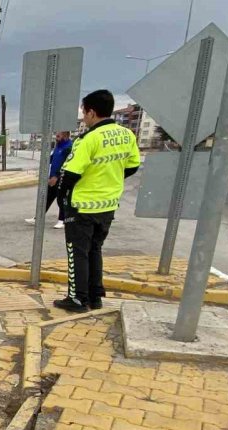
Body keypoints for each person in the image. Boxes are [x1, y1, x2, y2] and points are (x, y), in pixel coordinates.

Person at [54, 90, 140, 312]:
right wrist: (108, 179)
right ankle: (95, 296)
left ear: (91, 112)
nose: (84, 117)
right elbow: (132, 166)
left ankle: (77, 299)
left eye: (84, 112)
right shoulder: (127, 135)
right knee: (95, 249)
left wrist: (62, 198)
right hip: (108, 205)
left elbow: (69, 174)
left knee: (77, 252)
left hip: (82, 205)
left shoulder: (88, 139)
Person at [24, 131, 72, 229]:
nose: (56, 138)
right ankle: (38, 218)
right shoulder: (58, 146)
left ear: (65, 135)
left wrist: (57, 176)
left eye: (58, 136)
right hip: (52, 177)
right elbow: (52, 159)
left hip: (62, 178)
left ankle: (62, 220)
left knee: (61, 199)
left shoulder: (69, 148)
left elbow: (66, 164)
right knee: (46, 198)